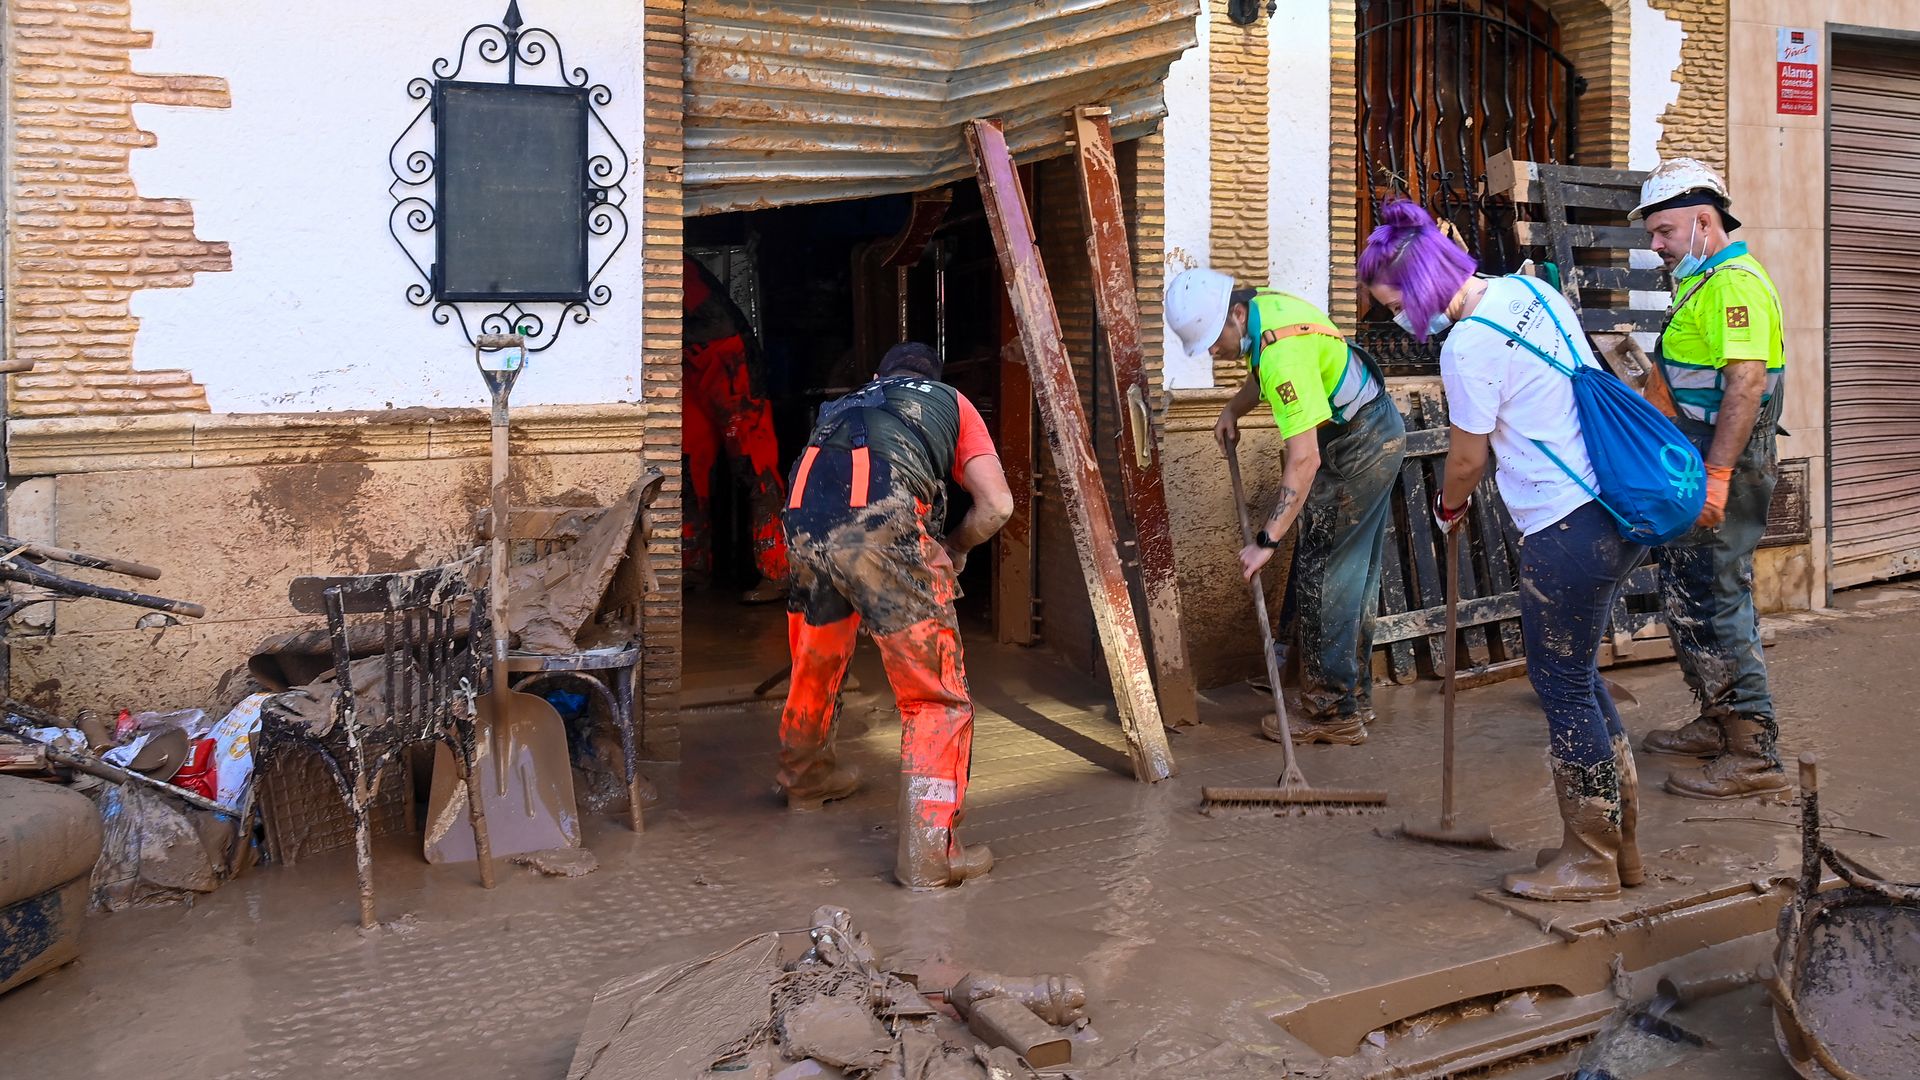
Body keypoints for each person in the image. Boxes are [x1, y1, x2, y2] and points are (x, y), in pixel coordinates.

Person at [1360, 201, 1645, 901]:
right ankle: (1619, 846)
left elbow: (1465, 459)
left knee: (1564, 686)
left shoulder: (1466, 347)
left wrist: (1446, 509)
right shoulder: (1531, 289)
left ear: (1422, 287)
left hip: (1563, 527)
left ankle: (1590, 860)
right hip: (1611, 509)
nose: (1399, 319)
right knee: (1581, 678)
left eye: (1395, 303)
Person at [776, 342, 1013, 889]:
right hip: (884, 533)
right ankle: (931, 856)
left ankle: (807, 782)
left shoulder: (841, 406)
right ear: (935, 377)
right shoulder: (951, 401)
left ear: (879, 375)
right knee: (934, 695)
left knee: (815, 664)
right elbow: (997, 505)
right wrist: (956, 545)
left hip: (803, 528)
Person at [1165, 269, 1408, 744]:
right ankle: (1352, 699)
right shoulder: (1265, 309)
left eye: (1215, 340)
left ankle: (1331, 713)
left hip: (1357, 445)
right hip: (1371, 429)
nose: (1213, 351)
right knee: (1351, 574)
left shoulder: (1280, 356)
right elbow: (1264, 369)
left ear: (1236, 314)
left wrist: (1266, 540)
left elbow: (1305, 458)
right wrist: (1233, 409)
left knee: (1326, 577)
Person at [1628, 159, 1789, 800]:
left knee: (1721, 592)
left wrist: (1718, 475)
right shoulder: (1702, 282)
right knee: (1690, 587)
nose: (1655, 245)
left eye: (1663, 231)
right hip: (1698, 457)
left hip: (1730, 460)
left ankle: (1754, 748)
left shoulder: (1736, 286)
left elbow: (1745, 386)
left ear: (1702, 221)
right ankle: (1718, 718)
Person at [682, 256, 790, 603]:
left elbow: (715, 320)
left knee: (754, 467)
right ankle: (690, 569)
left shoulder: (670, 262)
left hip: (730, 361)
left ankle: (778, 572)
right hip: (689, 364)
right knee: (686, 467)